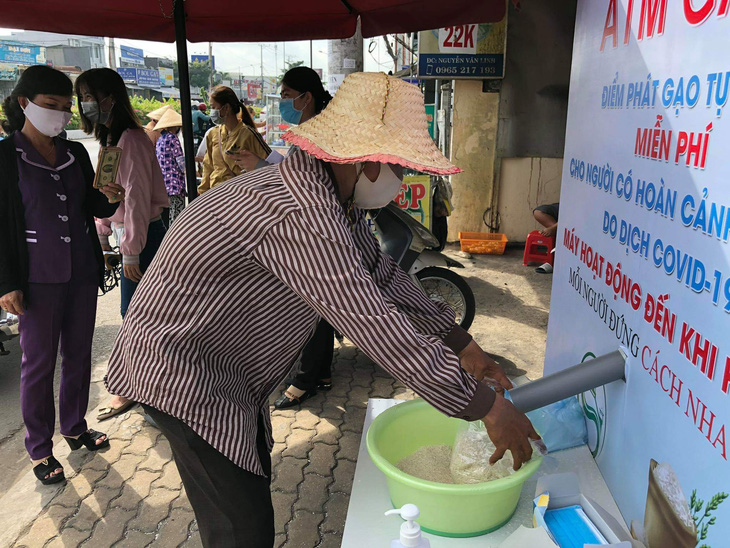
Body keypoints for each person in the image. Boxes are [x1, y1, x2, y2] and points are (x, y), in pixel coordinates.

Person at [104, 72, 540, 547]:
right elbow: (371, 320)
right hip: (183, 374)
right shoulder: (298, 210)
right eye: (398, 167)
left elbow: (382, 274)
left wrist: (462, 342)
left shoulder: (333, 199)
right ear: (366, 161)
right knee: (240, 528)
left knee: (247, 491)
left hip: (225, 368)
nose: (400, 180)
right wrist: (484, 407)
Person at [0, 66, 123, 485]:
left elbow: (92, 207)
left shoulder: (75, 153)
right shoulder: (4, 156)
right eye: (51, 106)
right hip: (34, 279)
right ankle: (39, 449)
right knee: (37, 365)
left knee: (79, 354)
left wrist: (110, 199)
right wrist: (5, 283)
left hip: (81, 273)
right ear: (24, 104)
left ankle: (74, 426)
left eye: (66, 108)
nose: (60, 115)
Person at [74, 68, 169, 421]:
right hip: (135, 233)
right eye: (80, 96)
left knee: (137, 314)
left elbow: (138, 199)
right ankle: (142, 385)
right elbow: (112, 195)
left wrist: (130, 249)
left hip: (144, 235)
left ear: (109, 98)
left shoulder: (130, 139)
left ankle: (140, 387)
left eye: (89, 95)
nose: (84, 103)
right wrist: (105, 232)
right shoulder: (113, 140)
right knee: (140, 313)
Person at [240, 66, 337, 409]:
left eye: (285, 95)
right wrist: (263, 161)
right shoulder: (308, 130)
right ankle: (319, 373)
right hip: (314, 226)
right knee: (320, 305)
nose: (282, 102)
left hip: (316, 230)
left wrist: (260, 167)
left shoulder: (318, 134)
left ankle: (306, 378)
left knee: (309, 302)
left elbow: (301, 183)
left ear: (305, 96)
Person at [197, 86, 271, 194]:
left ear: (226, 108)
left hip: (239, 199)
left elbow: (270, 166)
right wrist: (202, 193)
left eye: (213, 107)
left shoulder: (249, 134)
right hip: (215, 198)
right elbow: (208, 167)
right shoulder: (213, 134)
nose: (211, 112)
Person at [154, 109, 186, 227]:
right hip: (175, 184)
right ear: (174, 126)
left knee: (169, 217)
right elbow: (180, 161)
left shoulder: (160, 139)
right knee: (177, 218)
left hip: (164, 184)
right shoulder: (173, 138)